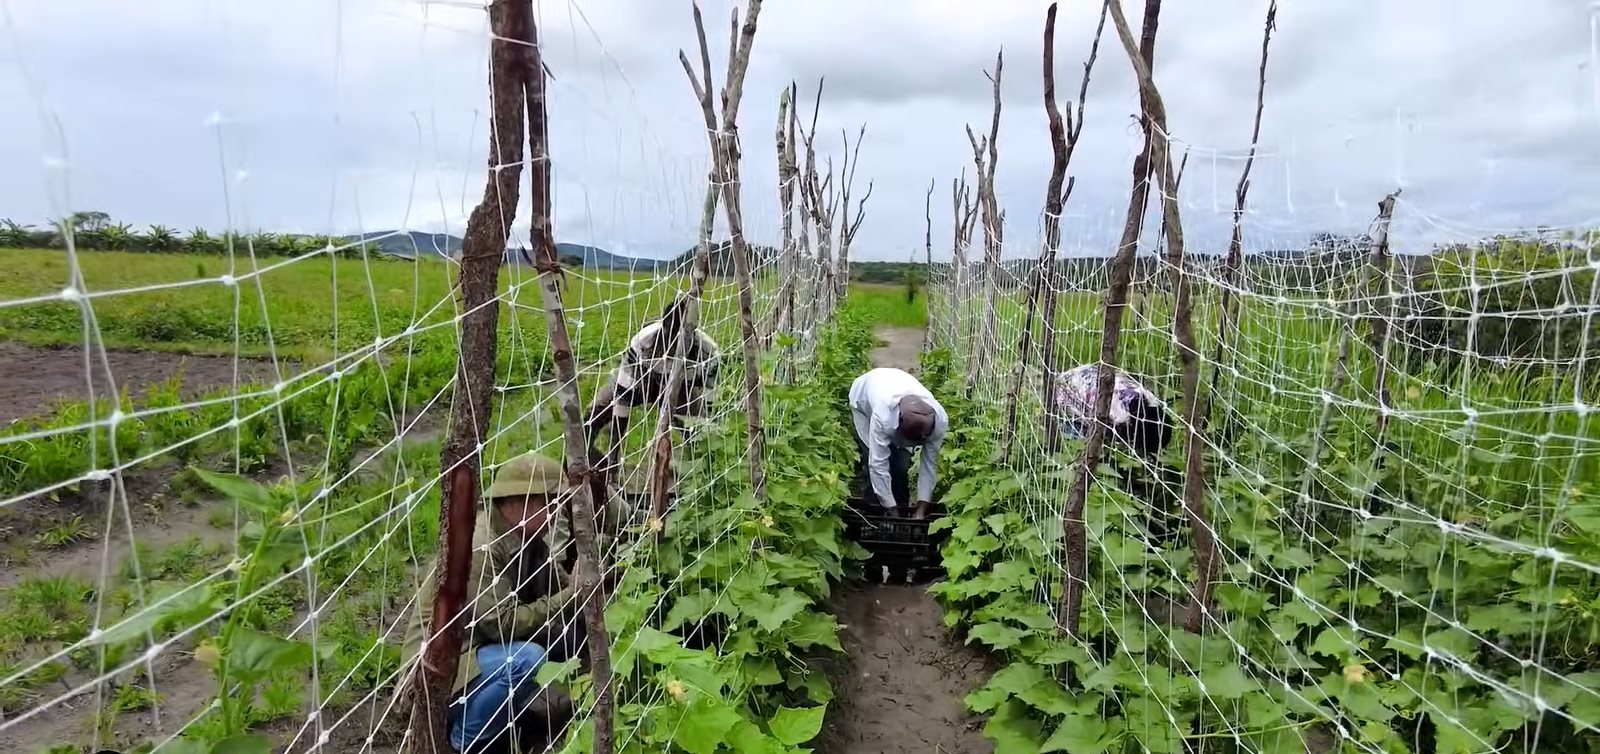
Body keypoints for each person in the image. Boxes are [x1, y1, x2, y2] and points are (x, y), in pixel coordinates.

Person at [400, 452, 633, 754]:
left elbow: (559, 589)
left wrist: (592, 583)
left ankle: (517, 711)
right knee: (526, 659)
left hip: (481, 648)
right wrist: (572, 595)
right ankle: (466, 741)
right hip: (442, 668)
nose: (557, 513)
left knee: (570, 637)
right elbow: (501, 624)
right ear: (519, 503)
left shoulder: (527, 537)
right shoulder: (480, 546)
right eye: (550, 503)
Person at [587, 295, 722, 472]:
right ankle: (589, 462)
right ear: (663, 326)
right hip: (642, 381)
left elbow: (710, 403)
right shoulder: (642, 343)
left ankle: (701, 470)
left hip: (681, 388)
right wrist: (614, 456)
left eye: (682, 337)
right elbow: (622, 400)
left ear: (694, 332)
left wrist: (702, 425)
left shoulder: (708, 353)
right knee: (595, 412)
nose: (674, 343)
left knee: (699, 430)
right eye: (670, 335)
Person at [848, 367, 948, 520]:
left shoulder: (939, 422)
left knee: (901, 467)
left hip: (896, 384)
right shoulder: (883, 417)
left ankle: (902, 511)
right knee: (874, 463)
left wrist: (922, 507)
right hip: (864, 402)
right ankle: (873, 515)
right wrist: (890, 508)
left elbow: (930, 465)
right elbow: (877, 463)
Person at [1051, 363, 1172, 460]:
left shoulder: (1148, 399)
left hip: (1087, 373)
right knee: (1083, 436)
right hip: (1066, 391)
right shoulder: (1117, 415)